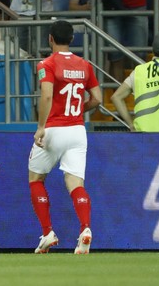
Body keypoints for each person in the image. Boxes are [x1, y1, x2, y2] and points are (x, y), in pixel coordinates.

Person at [29, 20, 102, 254]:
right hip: (78, 130)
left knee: (36, 179)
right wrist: (79, 109)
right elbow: (98, 98)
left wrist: (41, 127)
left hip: (54, 129)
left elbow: (47, 96)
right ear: (72, 40)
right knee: (75, 184)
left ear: (50, 39)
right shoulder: (85, 65)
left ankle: (48, 232)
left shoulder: (46, 64)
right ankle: (85, 229)